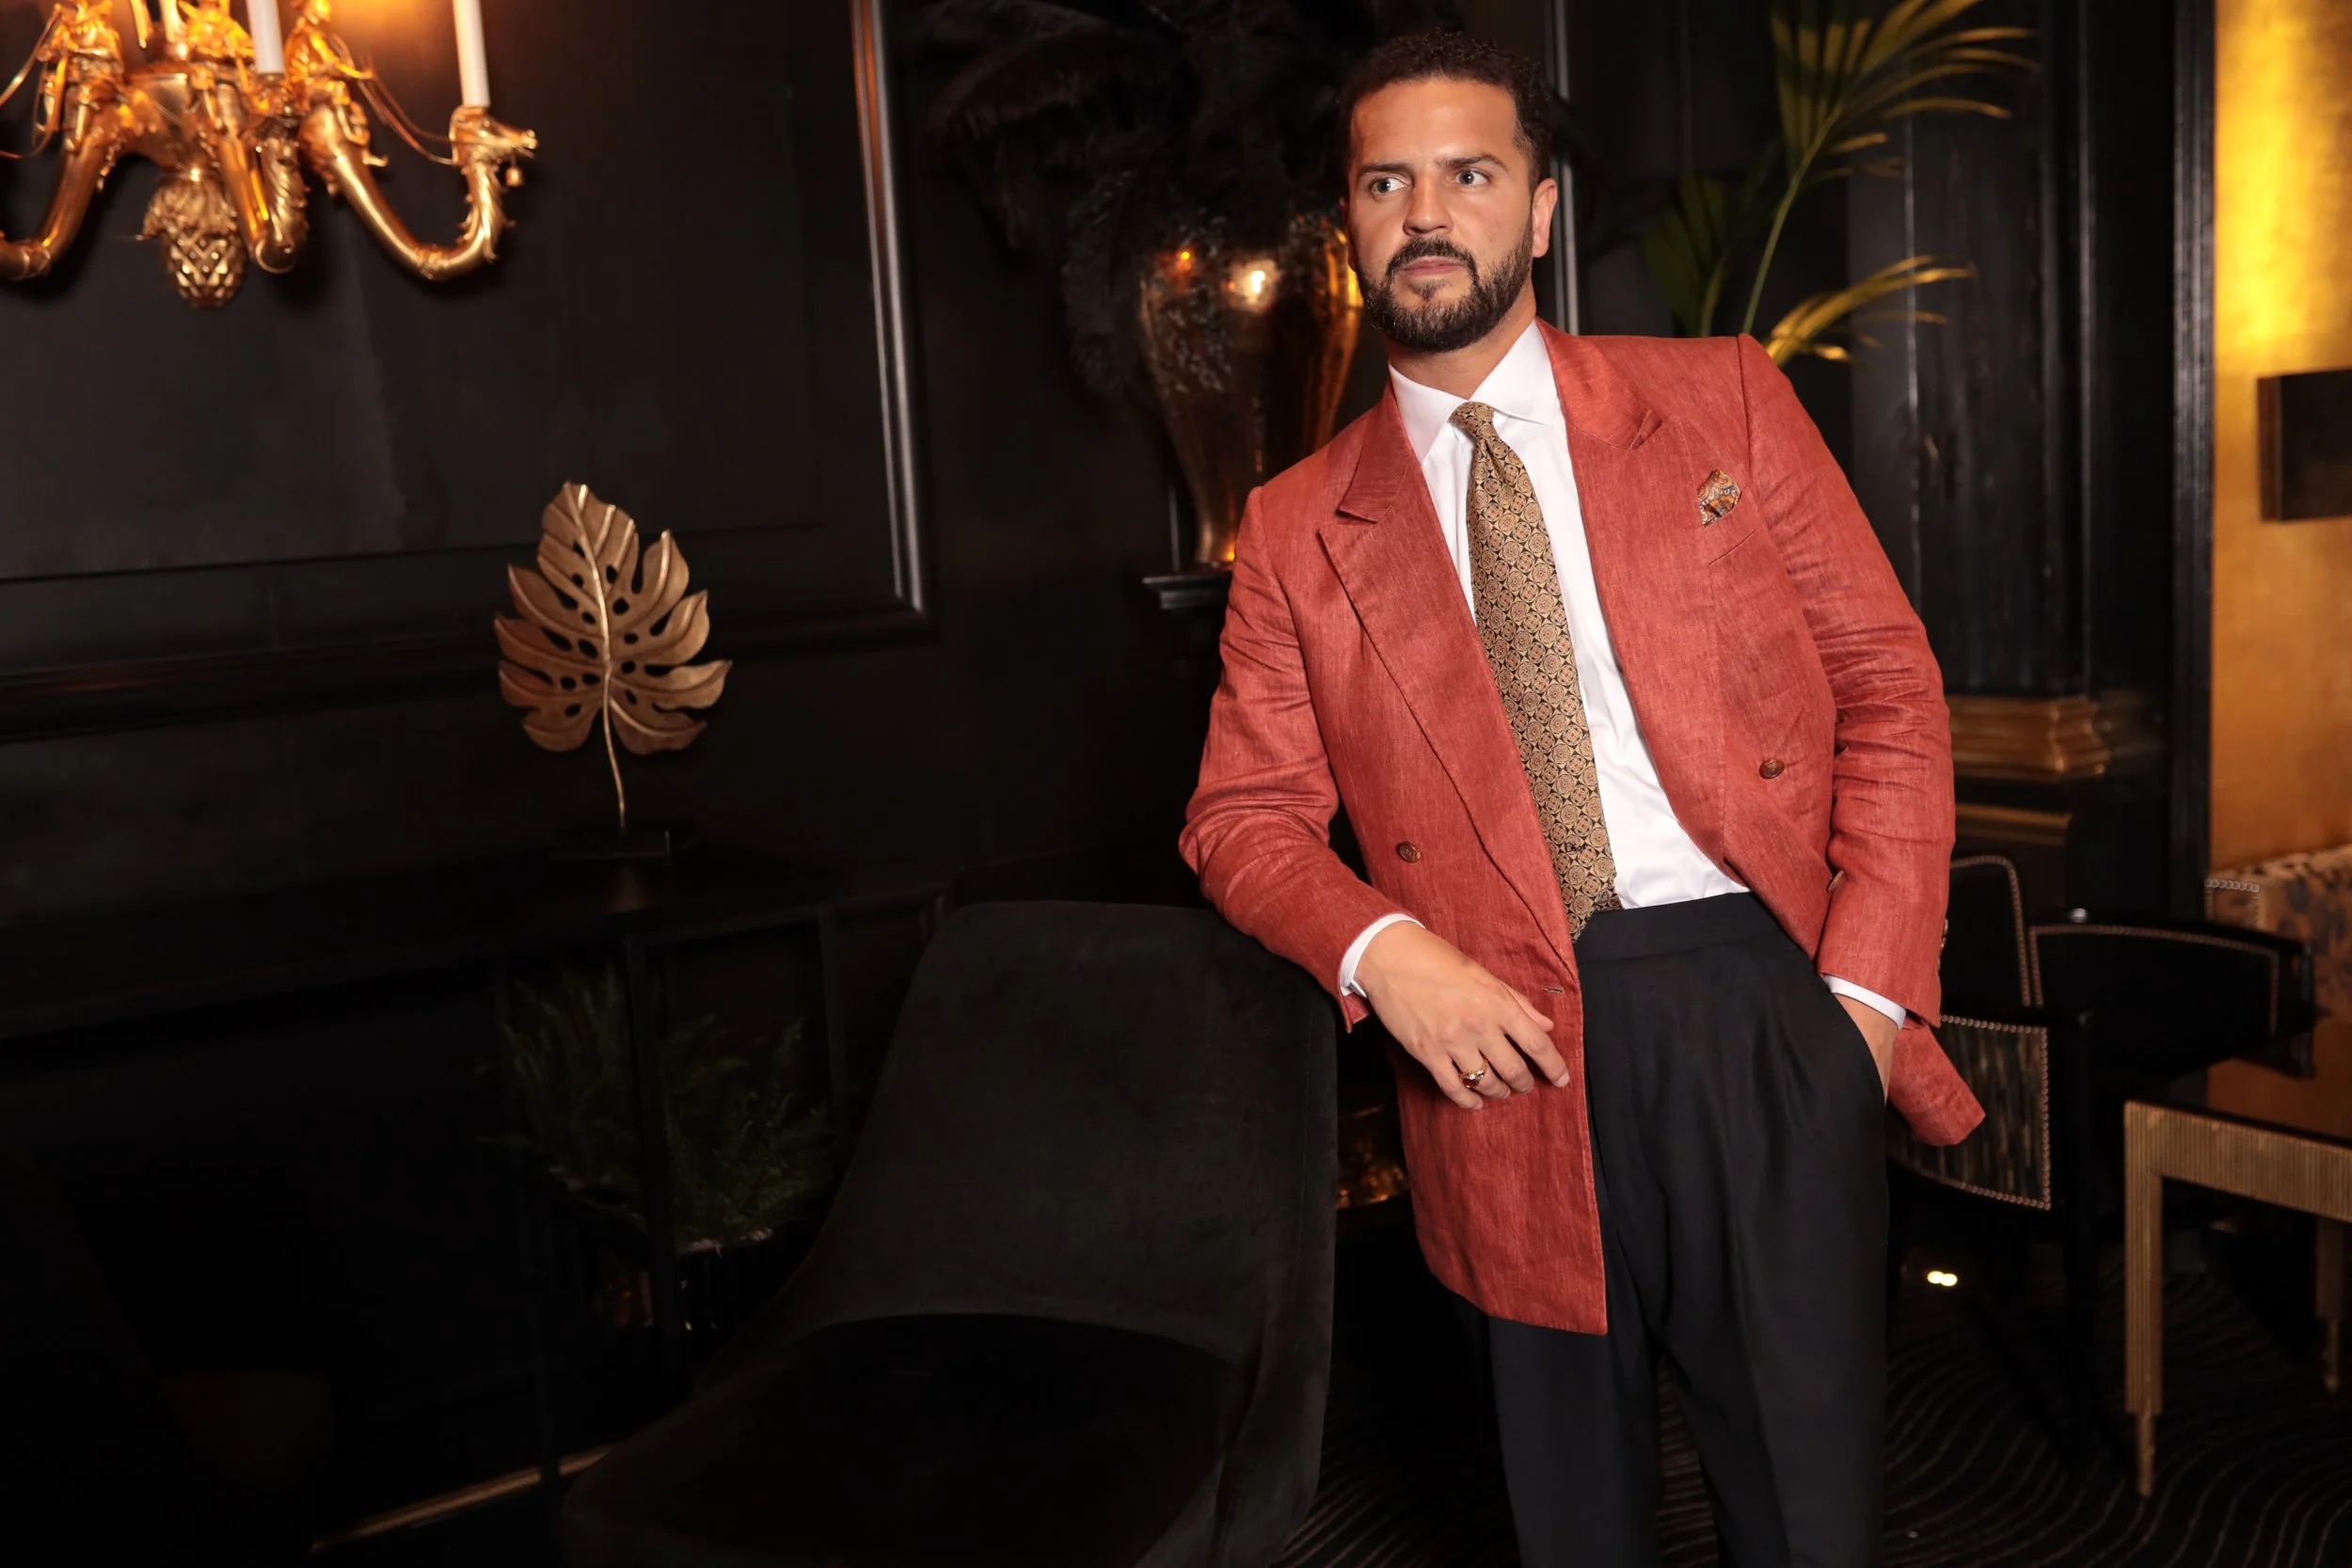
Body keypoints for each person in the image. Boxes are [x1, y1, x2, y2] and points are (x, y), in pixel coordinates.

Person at [1179, 30, 1983, 1568]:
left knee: (1813, 1528)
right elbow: (1241, 816)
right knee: (1572, 1533)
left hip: (1762, 1009)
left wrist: (1864, 1001)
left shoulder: (1722, 404)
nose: (1428, 211)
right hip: (1495, 1045)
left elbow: (1888, 682)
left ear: (1539, 208)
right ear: (1347, 225)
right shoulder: (1296, 527)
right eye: (1386, 181)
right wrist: (1386, 956)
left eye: (1469, 173)